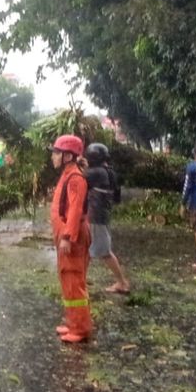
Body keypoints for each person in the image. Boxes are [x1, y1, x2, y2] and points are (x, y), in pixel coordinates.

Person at [50, 134, 92, 343]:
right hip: (66, 236)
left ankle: (80, 328)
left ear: (68, 156)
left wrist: (67, 236)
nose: (53, 157)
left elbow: (74, 210)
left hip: (72, 238)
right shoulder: (68, 174)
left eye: (56, 153)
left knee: (74, 280)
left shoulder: (75, 178)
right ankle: (72, 322)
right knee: (67, 280)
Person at [85, 143, 130, 293]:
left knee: (104, 252)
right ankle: (81, 278)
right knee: (86, 248)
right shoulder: (110, 171)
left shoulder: (95, 172)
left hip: (96, 216)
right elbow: (117, 198)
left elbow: (78, 178)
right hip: (103, 214)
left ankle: (122, 283)